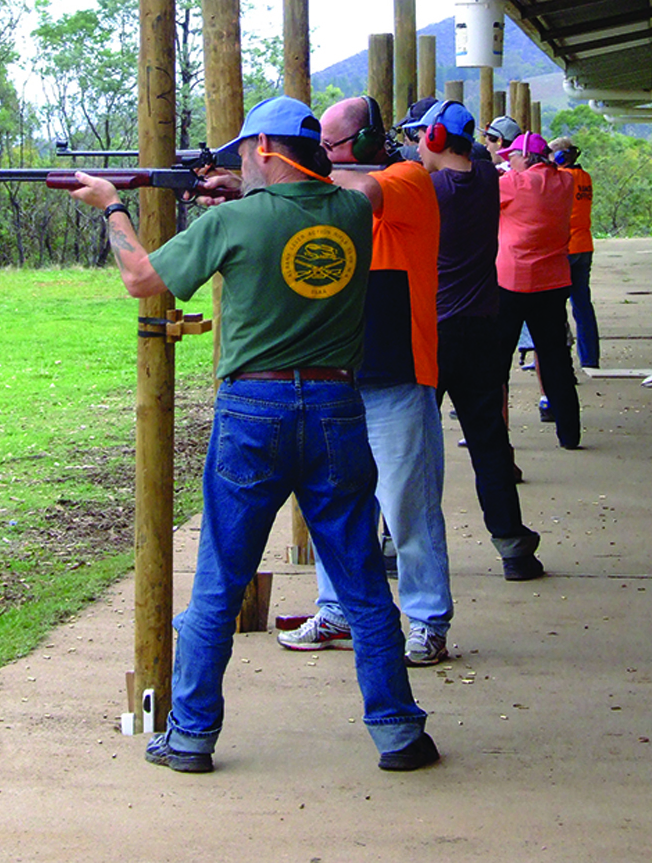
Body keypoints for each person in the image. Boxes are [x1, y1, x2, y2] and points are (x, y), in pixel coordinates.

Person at [68, 95, 437, 773]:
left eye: (245, 149)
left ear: (265, 149)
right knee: (359, 578)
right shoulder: (354, 212)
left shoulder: (236, 220)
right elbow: (338, 187)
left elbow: (141, 279)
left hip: (253, 410)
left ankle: (190, 737)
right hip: (336, 406)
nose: (236, 159)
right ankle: (398, 732)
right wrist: (258, 182)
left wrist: (113, 208)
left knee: (218, 582)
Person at [278, 95, 453, 668]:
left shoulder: (406, 177)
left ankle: (427, 620)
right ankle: (337, 610)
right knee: (339, 506)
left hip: (398, 371)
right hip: (340, 373)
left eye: (326, 148)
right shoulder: (335, 190)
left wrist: (279, 177)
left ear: (360, 145)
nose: (320, 159)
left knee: (409, 510)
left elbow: (355, 196)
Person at [411, 99, 544, 580]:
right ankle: (513, 547)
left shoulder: (429, 187)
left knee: (412, 445)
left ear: (434, 138)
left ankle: (390, 540)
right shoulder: (487, 177)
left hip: (436, 330)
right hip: (483, 327)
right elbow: (482, 159)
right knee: (490, 442)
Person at [495, 131, 580, 450]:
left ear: (526, 158)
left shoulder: (513, 185)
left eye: (512, 157)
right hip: (554, 281)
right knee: (556, 359)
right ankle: (569, 432)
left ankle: (497, 433)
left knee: (498, 362)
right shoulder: (566, 182)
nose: (509, 163)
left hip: (512, 282)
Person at [550, 136, 600, 369]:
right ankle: (590, 359)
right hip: (584, 245)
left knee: (554, 308)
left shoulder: (563, 178)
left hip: (566, 247)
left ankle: (559, 361)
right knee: (582, 305)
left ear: (561, 157)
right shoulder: (584, 177)